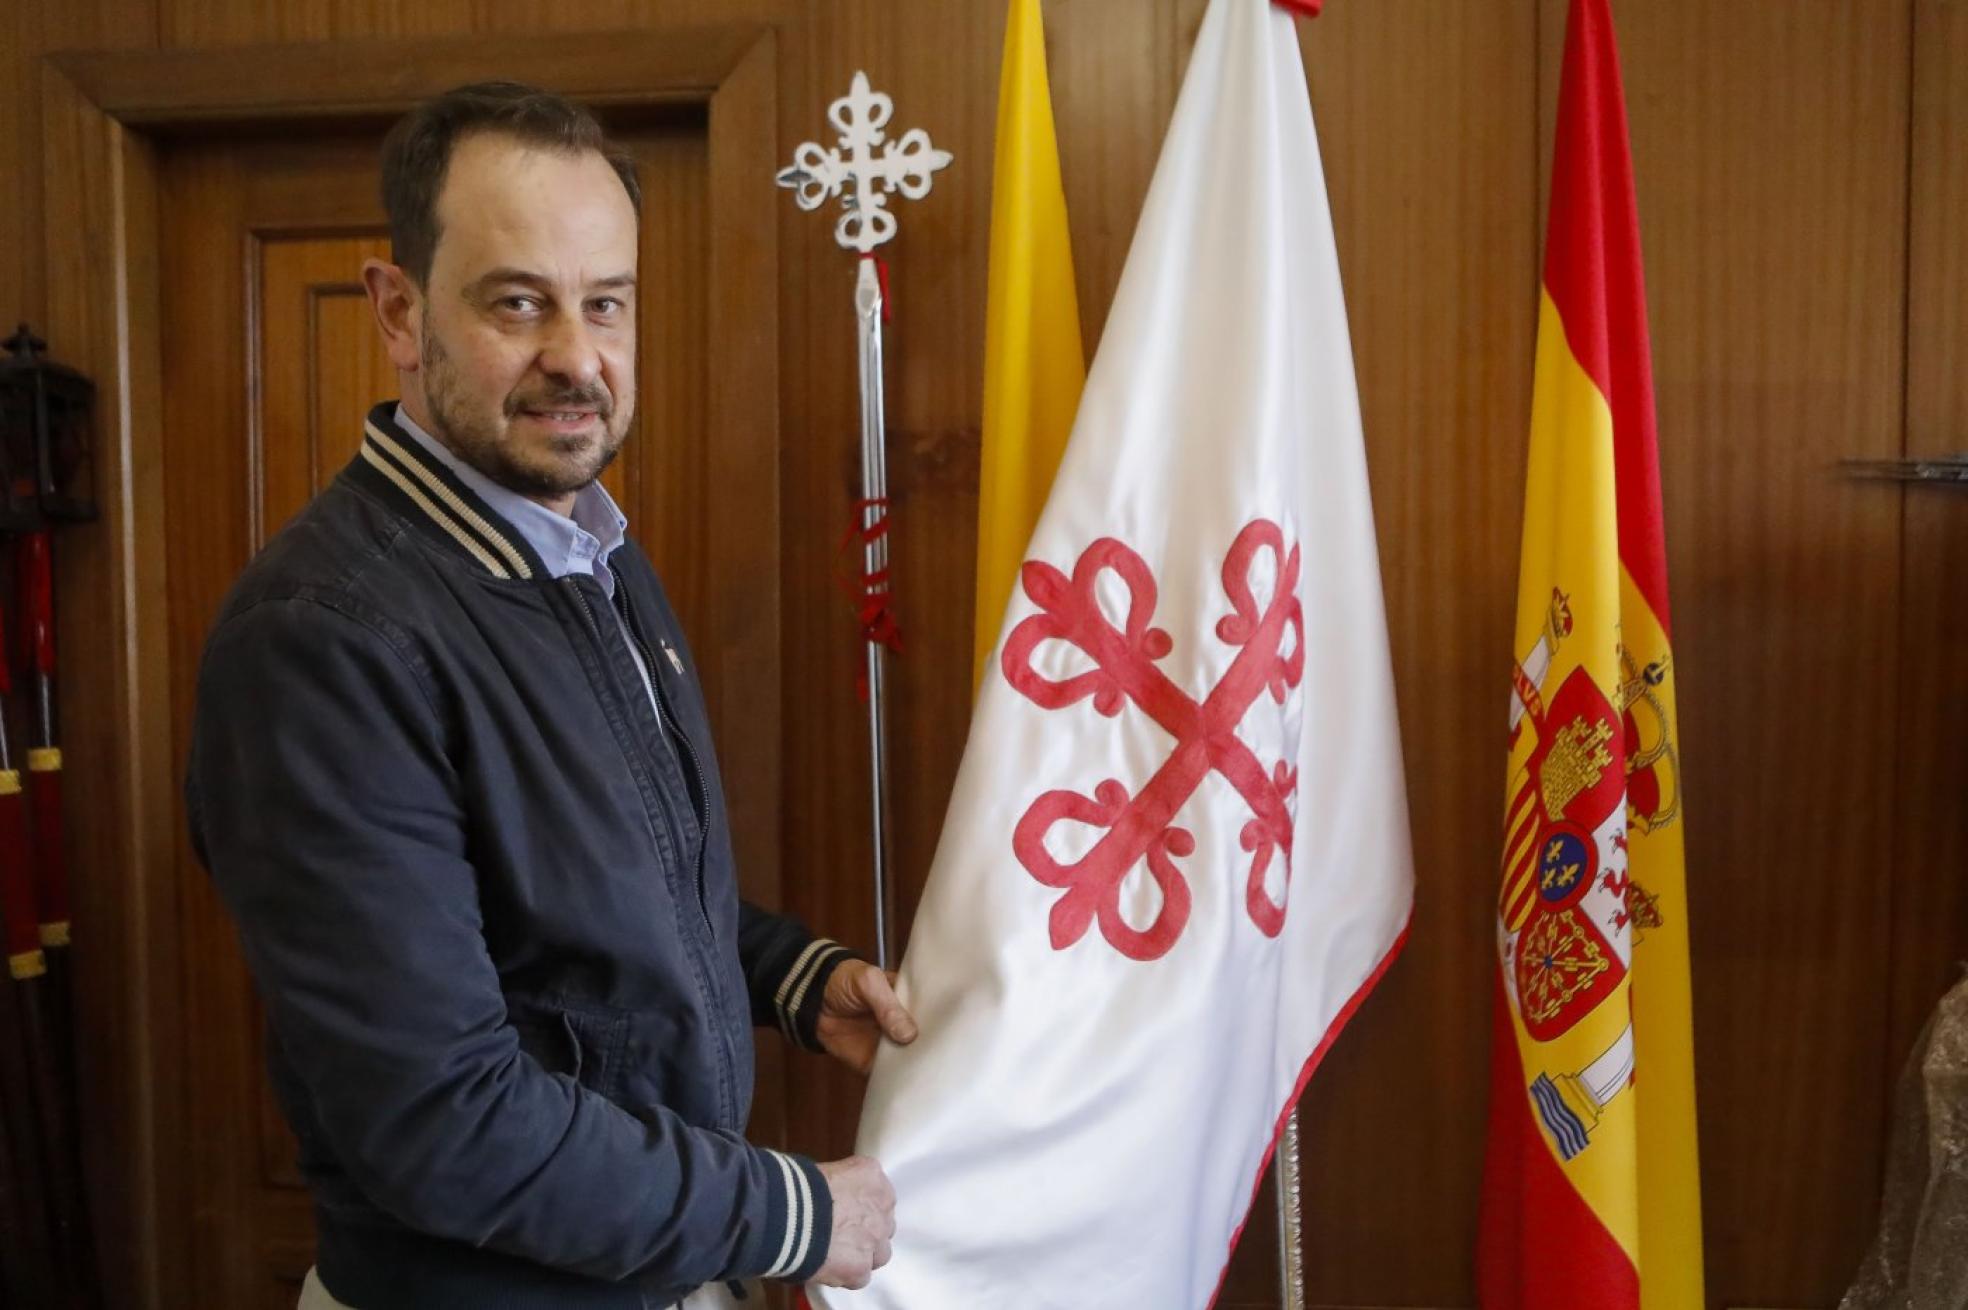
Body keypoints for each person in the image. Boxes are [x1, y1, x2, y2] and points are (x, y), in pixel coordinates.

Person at [185, 82, 913, 1310]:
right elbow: (441, 1120)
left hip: (668, 1273)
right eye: (518, 301)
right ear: (399, 311)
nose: (576, 355)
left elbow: (611, 901)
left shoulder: (596, 550)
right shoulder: (319, 640)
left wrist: (792, 975)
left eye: (607, 303)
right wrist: (786, 1210)